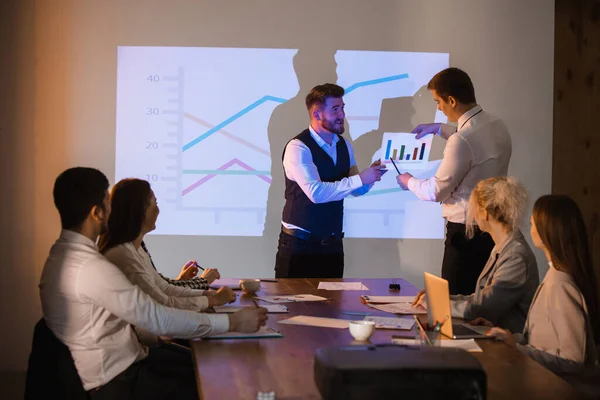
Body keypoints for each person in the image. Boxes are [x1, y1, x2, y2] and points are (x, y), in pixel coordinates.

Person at [40, 167, 268, 399]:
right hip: (121, 381)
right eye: (108, 203)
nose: (113, 209)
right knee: (222, 382)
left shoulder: (59, 257)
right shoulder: (91, 268)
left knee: (215, 364)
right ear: (97, 213)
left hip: (127, 365)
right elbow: (156, 317)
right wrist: (231, 321)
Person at [397, 67, 512, 295]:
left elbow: (436, 191)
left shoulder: (462, 140)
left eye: (438, 101)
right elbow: (475, 145)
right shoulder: (496, 124)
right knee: (479, 298)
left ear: (451, 100)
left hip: (464, 236)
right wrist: (440, 129)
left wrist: (408, 180)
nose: (438, 108)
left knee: (454, 302)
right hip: (491, 231)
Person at [275, 83, 385, 278]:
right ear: (317, 115)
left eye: (342, 108)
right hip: (299, 247)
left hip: (333, 246)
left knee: (333, 307)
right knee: (293, 307)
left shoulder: (343, 145)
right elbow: (316, 193)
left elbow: (356, 189)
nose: (342, 115)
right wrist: (361, 178)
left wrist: (372, 176)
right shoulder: (298, 148)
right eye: (335, 109)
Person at [485, 195, 599, 375]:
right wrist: (511, 339)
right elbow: (541, 339)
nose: (530, 226)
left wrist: (518, 347)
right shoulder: (555, 276)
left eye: (533, 223)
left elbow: (573, 359)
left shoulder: (561, 285)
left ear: (548, 231)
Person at [413, 177, 539, 334]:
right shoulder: (503, 247)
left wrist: (437, 304)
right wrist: (443, 298)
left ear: (485, 213)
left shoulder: (515, 256)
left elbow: (484, 307)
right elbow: (480, 298)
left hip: (506, 346)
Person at [98, 178, 236, 311]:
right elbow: (161, 303)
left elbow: (164, 288)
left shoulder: (136, 249)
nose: (158, 210)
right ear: (140, 211)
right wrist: (214, 300)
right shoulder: (123, 255)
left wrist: (208, 295)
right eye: (155, 203)